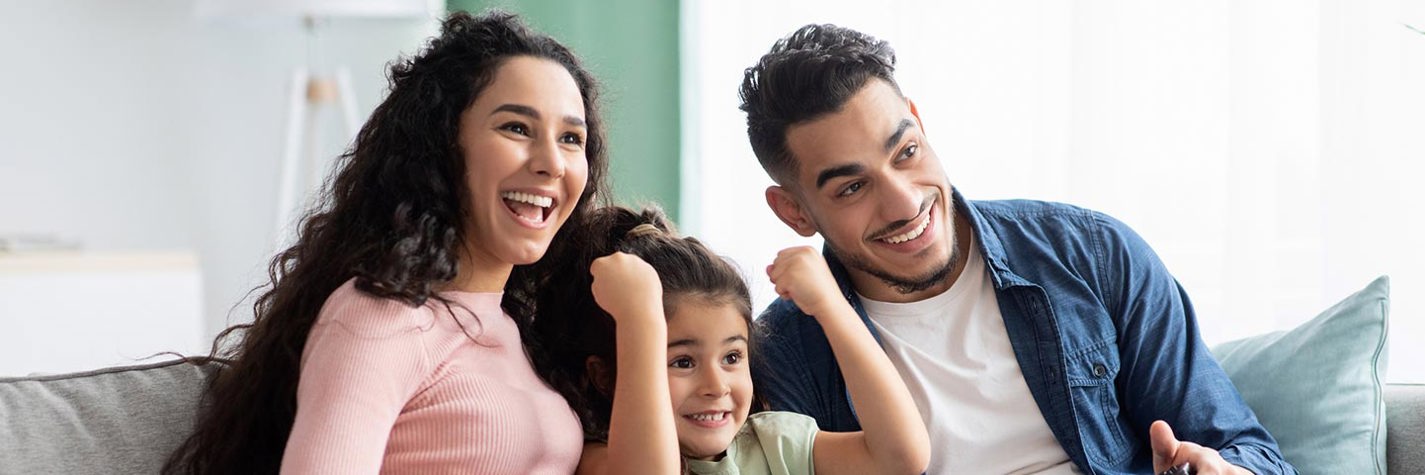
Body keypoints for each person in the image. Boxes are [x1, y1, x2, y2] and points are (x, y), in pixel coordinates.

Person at [738, 23, 1296, 474]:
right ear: (795, 211)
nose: (904, 203)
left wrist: (1225, 471)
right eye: (853, 188)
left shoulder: (1092, 255)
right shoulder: (783, 355)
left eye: (906, 152)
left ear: (921, 123)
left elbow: (1252, 452)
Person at [164, 11, 610, 474]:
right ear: (442, 145)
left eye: (571, 138)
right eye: (516, 128)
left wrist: (643, 324)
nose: (552, 163)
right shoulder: (381, 316)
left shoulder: (523, 329)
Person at [531, 206, 929, 475]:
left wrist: (832, 307)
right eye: (682, 361)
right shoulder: (602, 459)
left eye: (732, 357)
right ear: (605, 376)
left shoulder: (772, 446)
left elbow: (901, 456)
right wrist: (640, 318)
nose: (716, 386)